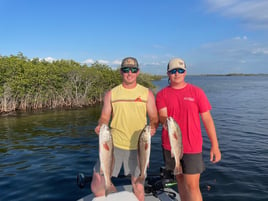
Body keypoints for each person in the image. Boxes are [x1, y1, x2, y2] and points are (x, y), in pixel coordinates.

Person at [91, 57, 159, 201]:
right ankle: (111, 190)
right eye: (126, 69)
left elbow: (154, 118)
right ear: (121, 72)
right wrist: (101, 125)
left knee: (138, 186)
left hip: (139, 146)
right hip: (113, 145)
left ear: (138, 72)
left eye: (133, 69)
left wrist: (152, 127)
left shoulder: (147, 93)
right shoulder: (112, 93)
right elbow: (104, 117)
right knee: (97, 185)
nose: (130, 73)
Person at [156, 58, 221, 201]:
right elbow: (162, 115)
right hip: (170, 146)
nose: (177, 74)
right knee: (179, 180)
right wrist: (165, 121)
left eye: (180, 70)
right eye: (173, 71)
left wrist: (215, 145)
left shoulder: (197, 92)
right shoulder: (162, 94)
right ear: (168, 73)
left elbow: (208, 120)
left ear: (185, 72)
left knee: (192, 186)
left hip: (192, 147)